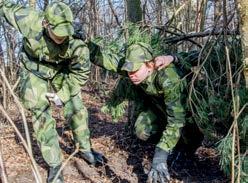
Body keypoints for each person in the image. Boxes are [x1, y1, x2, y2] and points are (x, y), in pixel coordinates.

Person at [0, 1, 103, 182]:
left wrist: (62, 96)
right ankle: (55, 164)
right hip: (33, 69)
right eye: (58, 33)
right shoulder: (29, 20)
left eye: (66, 32)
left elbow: (80, 74)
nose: (62, 37)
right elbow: (4, 6)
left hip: (61, 71)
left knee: (76, 106)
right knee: (40, 111)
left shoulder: (77, 43)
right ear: (46, 24)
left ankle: (85, 148)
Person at [89, 38, 202, 182]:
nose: (131, 75)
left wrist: (159, 157)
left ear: (149, 65)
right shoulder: (136, 71)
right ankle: (169, 143)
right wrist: (84, 42)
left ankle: (185, 149)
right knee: (142, 130)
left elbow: (177, 120)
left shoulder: (168, 77)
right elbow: (105, 59)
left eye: (135, 70)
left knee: (188, 133)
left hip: (188, 115)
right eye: (129, 71)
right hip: (162, 111)